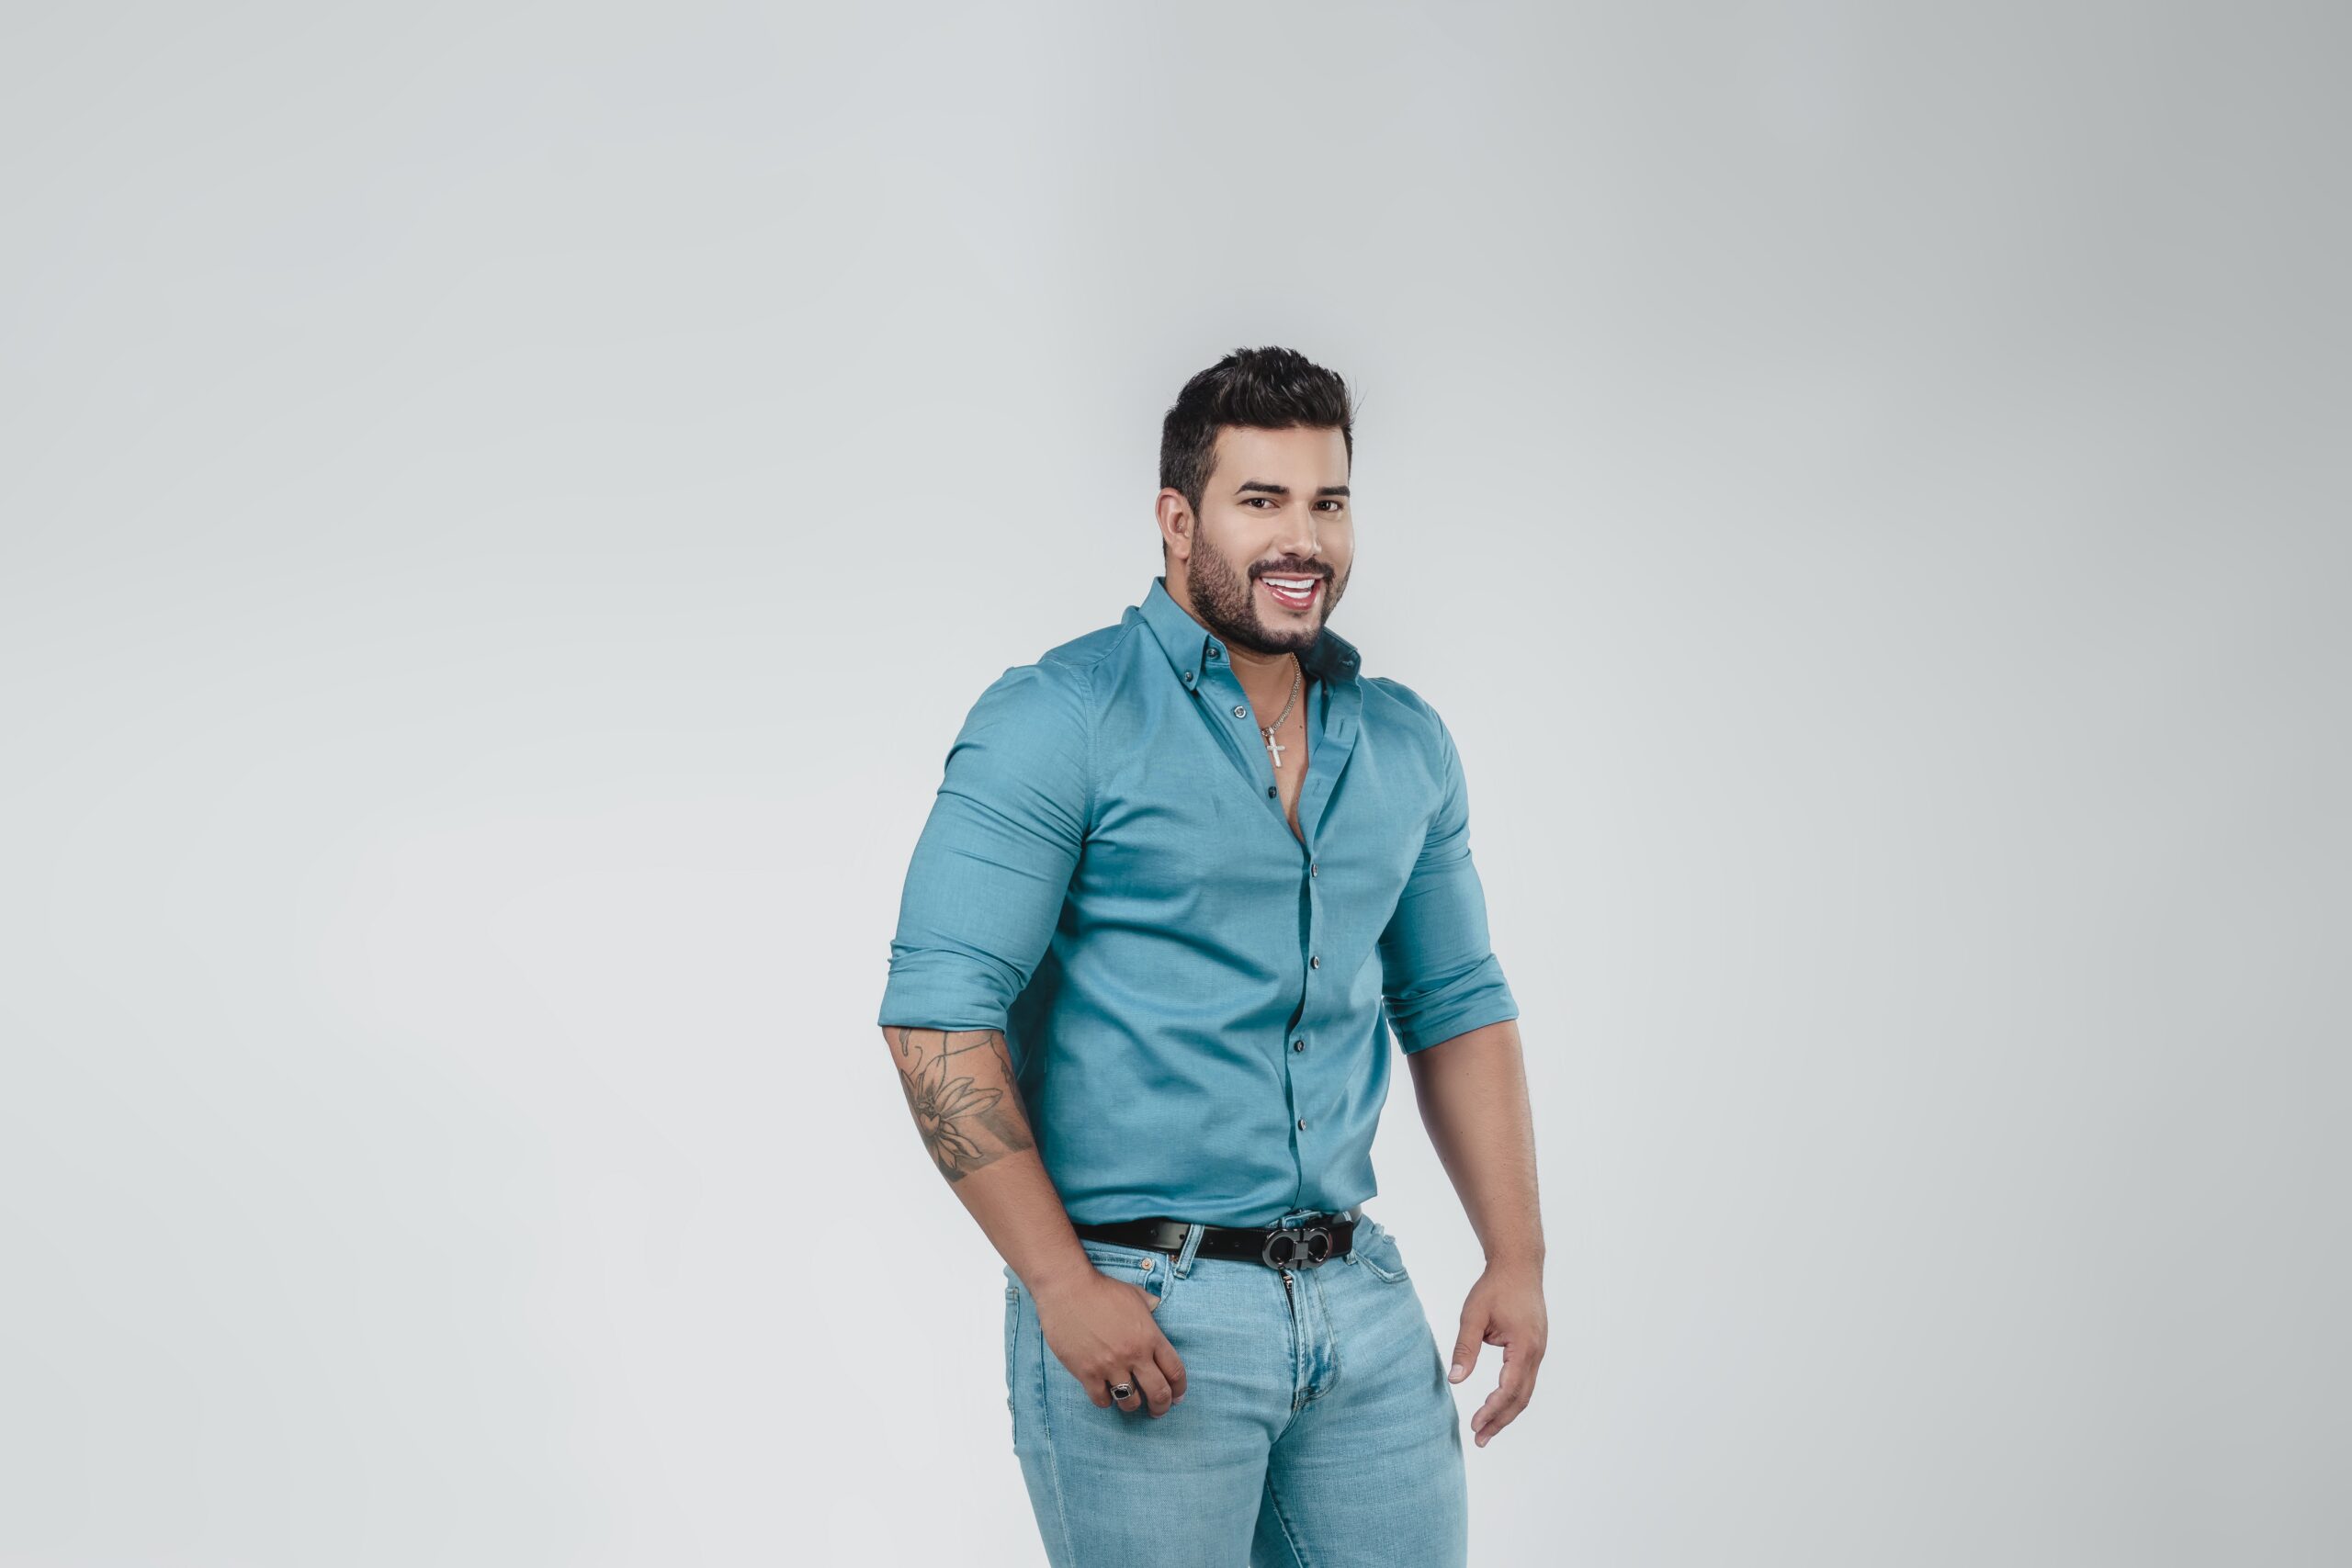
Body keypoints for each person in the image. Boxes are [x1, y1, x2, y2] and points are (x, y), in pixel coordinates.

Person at [876, 344, 1546, 1567]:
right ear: (1178, 521)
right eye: (1261, 501)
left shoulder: (1403, 742)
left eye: (1328, 502)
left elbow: (1455, 1003)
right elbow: (937, 1015)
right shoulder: (1060, 718)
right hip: (1142, 1308)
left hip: (1358, 1303)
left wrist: (1517, 1255)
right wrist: (1060, 1286)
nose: (1303, 540)